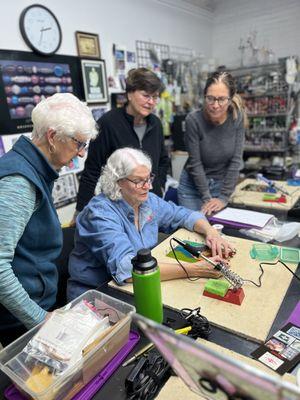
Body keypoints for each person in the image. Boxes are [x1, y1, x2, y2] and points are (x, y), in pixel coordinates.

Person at [67, 148, 234, 301]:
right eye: (139, 181)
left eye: (148, 178)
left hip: (139, 286)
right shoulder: (99, 214)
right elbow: (127, 269)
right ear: (117, 181)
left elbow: (184, 215)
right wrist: (195, 269)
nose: (148, 186)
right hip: (98, 294)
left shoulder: (147, 201)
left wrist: (211, 232)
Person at [0, 93, 98, 346]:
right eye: (79, 144)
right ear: (53, 137)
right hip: (22, 317)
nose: (81, 153)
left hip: (37, 302)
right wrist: (39, 319)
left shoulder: (35, 169)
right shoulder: (19, 182)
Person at [72, 67, 169, 222]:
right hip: (118, 207)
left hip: (150, 203)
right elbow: (92, 170)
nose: (151, 102)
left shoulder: (156, 123)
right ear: (130, 94)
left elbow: (163, 160)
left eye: (155, 97)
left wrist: (159, 186)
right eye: (146, 96)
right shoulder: (108, 123)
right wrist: (80, 211)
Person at [177, 71, 247, 215]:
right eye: (210, 98)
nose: (215, 105)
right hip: (192, 188)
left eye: (221, 99)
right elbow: (195, 163)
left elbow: (236, 161)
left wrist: (223, 197)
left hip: (221, 187)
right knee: (193, 232)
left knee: (218, 232)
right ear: (204, 96)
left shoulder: (237, 118)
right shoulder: (193, 120)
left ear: (230, 98)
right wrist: (207, 198)